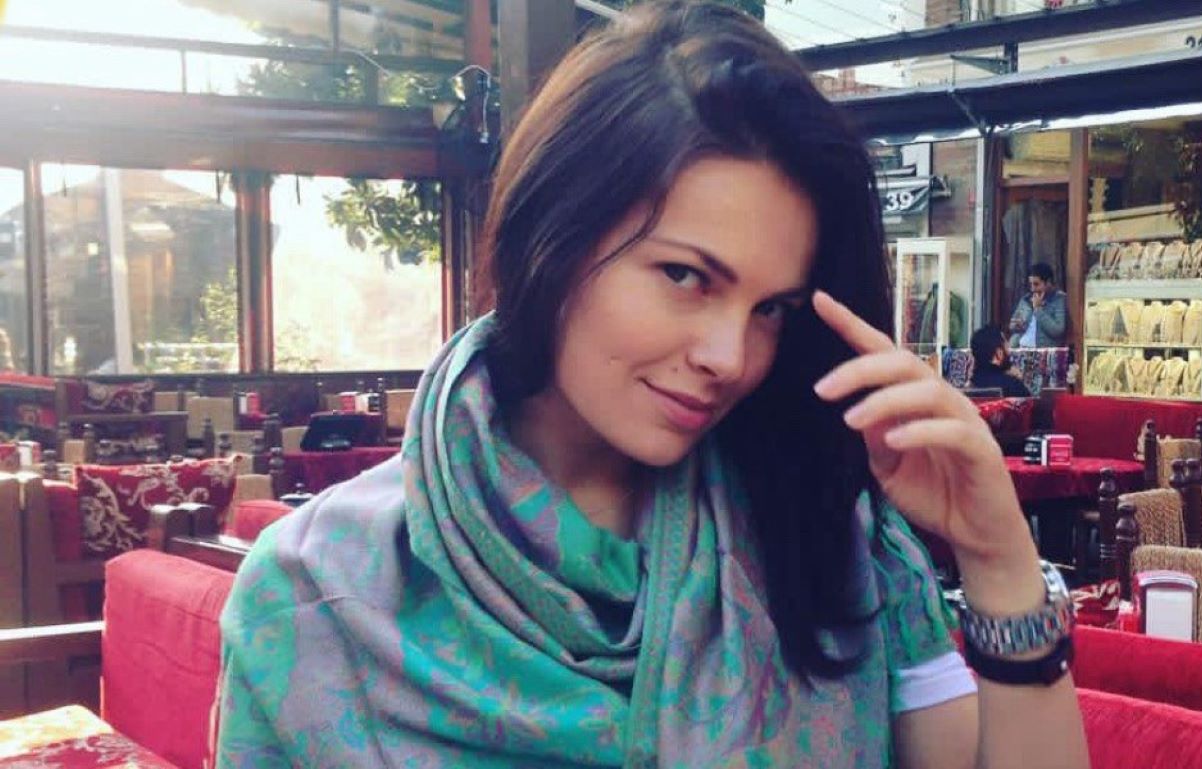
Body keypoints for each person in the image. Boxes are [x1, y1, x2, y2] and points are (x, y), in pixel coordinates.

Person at [213, 4, 1087, 768]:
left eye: (772, 308)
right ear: (552, 235)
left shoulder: (831, 537)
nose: (731, 356)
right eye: (685, 275)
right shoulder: (315, 595)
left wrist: (998, 557)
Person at [1008, 263, 1068, 348]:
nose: (1032, 289)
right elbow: (1012, 325)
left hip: (1042, 351)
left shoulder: (1058, 300)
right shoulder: (1026, 299)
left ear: (1048, 282)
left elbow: (1058, 331)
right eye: (1031, 284)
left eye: (1036, 284)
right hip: (1019, 347)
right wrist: (1016, 325)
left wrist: (1038, 310)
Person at [969, 325, 1030, 396]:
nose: (1009, 350)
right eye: (1006, 346)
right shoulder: (1014, 386)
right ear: (999, 353)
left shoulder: (970, 387)